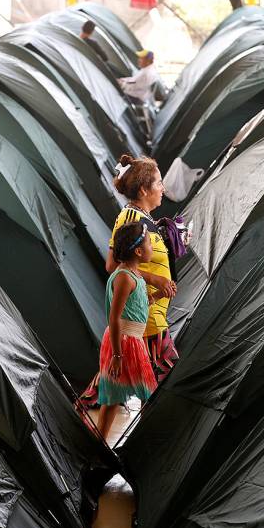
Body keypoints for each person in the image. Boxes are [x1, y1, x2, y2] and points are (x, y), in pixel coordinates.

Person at [107, 155, 179, 382]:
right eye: (158, 183)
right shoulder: (129, 217)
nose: (163, 189)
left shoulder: (143, 217)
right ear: (144, 190)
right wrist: (155, 280)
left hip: (153, 311)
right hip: (146, 318)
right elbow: (113, 265)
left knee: (148, 381)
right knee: (161, 378)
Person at [95, 222, 159, 441]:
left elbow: (137, 308)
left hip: (133, 340)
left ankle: (137, 441)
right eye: (150, 243)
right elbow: (114, 317)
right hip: (123, 343)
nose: (153, 247)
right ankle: (101, 445)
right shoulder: (123, 277)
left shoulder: (135, 275)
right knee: (116, 396)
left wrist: (160, 295)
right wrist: (117, 355)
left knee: (140, 394)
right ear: (138, 251)